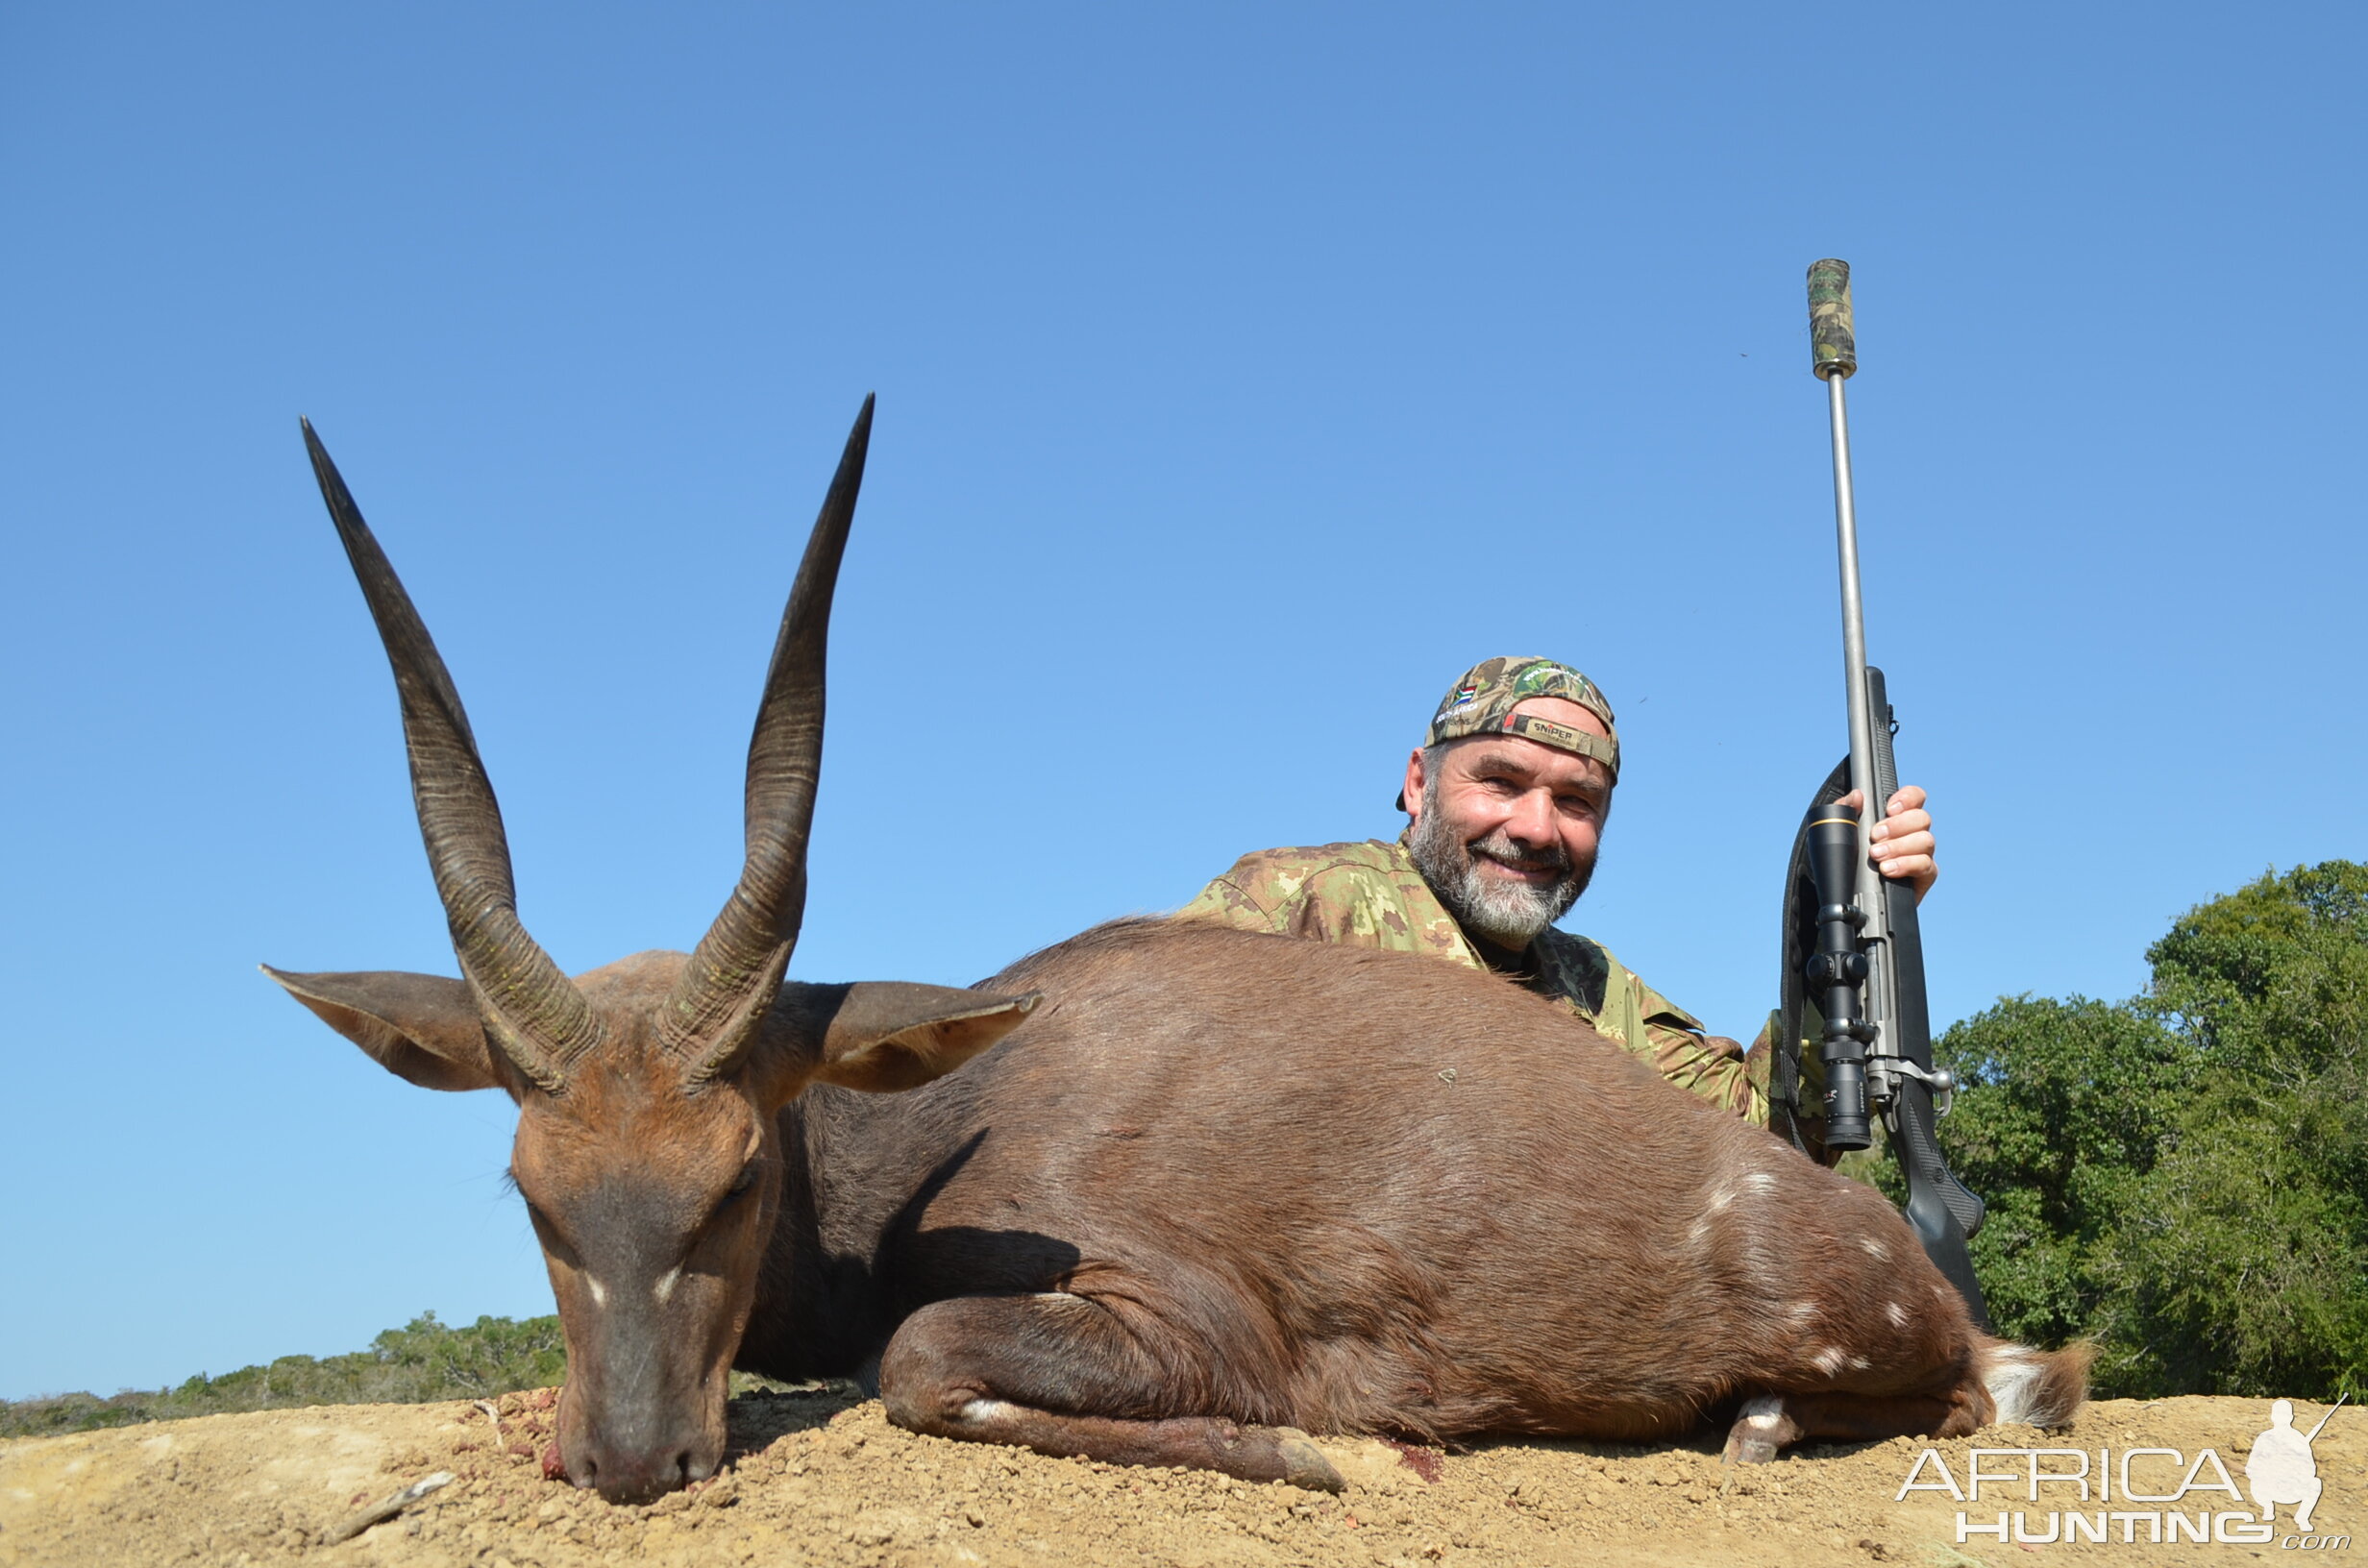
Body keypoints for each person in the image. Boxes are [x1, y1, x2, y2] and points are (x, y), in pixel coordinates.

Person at [1174, 656, 1936, 1131]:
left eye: (1577, 801)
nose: (1539, 828)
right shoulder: (1303, 901)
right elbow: (1134, 1068)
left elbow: (1766, 1134)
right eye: (1501, 782)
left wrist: (1845, 923)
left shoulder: (1600, 991)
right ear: (1418, 784)